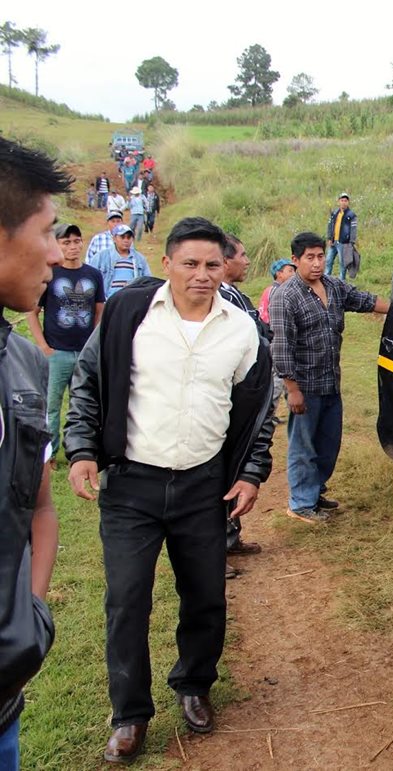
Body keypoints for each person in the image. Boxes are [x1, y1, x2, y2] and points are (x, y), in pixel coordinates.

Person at [64, 217, 274, 762]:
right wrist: (83, 449)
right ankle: (129, 716)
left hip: (203, 486)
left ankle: (195, 684)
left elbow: (258, 408)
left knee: (205, 594)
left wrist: (250, 472)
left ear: (224, 265)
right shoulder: (131, 315)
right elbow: (88, 382)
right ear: (168, 264)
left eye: (212, 264)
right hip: (132, 484)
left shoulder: (241, 328)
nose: (202, 275)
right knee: (127, 600)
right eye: (190, 264)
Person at [0, 137, 64, 768]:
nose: (55, 252)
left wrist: (32, 616)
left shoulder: (20, 362)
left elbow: (40, 506)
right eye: (46, 232)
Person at [269, 232, 388, 523]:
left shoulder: (333, 286)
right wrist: (292, 390)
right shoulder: (286, 297)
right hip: (304, 386)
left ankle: (315, 493)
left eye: (320, 256)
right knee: (303, 445)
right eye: (309, 257)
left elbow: (365, 300)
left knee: (328, 442)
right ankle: (300, 504)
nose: (317, 263)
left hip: (330, 381)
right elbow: (281, 347)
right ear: (295, 261)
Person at [26, 223, 106, 460]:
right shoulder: (50, 273)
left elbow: (99, 310)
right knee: (51, 405)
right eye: (66, 242)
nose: (72, 246)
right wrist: (43, 346)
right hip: (56, 351)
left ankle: (80, 452)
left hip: (84, 353)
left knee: (82, 405)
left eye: (76, 241)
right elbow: (32, 311)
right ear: (58, 244)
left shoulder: (93, 274)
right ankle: (49, 454)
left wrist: (93, 344)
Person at [219, 235, 272, 565]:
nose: (248, 260)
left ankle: (230, 535)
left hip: (247, 391)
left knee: (235, 465)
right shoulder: (221, 299)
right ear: (226, 262)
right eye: (242, 255)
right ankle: (216, 552)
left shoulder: (235, 295)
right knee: (221, 473)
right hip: (231, 397)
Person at [92, 224, 152, 296]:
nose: (126, 240)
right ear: (114, 238)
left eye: (129, 237)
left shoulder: (140, 259)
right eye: (122, 237)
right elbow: (91, 280)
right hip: (108, 302)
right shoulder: (101, 256)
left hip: (131, 301)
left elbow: (148, 281)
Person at [324, 193, 357, 280]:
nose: (343, 202)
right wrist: (329, 238)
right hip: (333, 241)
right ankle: (326, 278)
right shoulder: (334, 213)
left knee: (342, 263)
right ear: (339, 201)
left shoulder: (351, 215)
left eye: (345, 201)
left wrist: (351, 242)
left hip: (344, 243)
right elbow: (330, 226)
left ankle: (342, 281)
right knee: (328, 260)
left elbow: (353, 229)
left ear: (348, 202)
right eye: (342, 200)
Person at [258, 258, 296, 325]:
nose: (294, 274)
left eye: (294, 271)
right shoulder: (278, 292)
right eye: (290, 271)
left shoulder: (270, 289)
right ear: (279, 274)